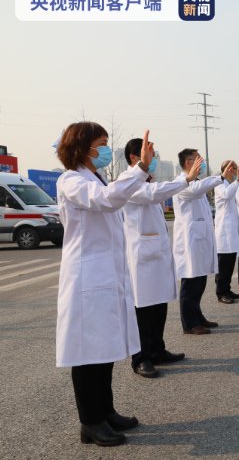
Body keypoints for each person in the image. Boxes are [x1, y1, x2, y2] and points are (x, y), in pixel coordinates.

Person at [56, 123, 152, 447]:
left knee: (104, 347)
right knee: (87, 353)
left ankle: (106, 411)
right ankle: (90, 422)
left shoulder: (96, 178)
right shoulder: (71, 181)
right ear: (83, 147)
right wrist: (139, 169)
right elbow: (107, 200)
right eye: (102, 144)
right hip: (86, 277)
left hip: (104, 275)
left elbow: (110, 198)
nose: (106, 150)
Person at [122, 138, 200, 379]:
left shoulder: (147, 180)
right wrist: (185, 178)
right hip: (141, 256)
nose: (154, 159)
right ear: (135, 158)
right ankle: (141, 358)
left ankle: (157, 349)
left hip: (155, 254)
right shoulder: (128, 181)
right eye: (150, 154)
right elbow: (153, 194)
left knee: (158, 305)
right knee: (143, 308)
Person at [173, 149, 230, 335]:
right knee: (190, 283)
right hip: (190, 242)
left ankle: (198, 317)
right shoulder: (180, 183)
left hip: (200, 240)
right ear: (189, 162)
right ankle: (189, 324)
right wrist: (220, 177)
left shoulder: (196, 182)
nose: (202, 163)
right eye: (198, 160)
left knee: (199, 282)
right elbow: (196, 191)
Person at [213, 160, 239, 305]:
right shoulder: (219, 184)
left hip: (231, 231)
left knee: (230, 263)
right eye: (235, 169)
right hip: (223, 231)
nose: (237, 171)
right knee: (223, 265)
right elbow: (226, 195)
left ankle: (227, 289)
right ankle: (221, 293)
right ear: (229, 170)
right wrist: (238, 181)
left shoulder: (229, 184)